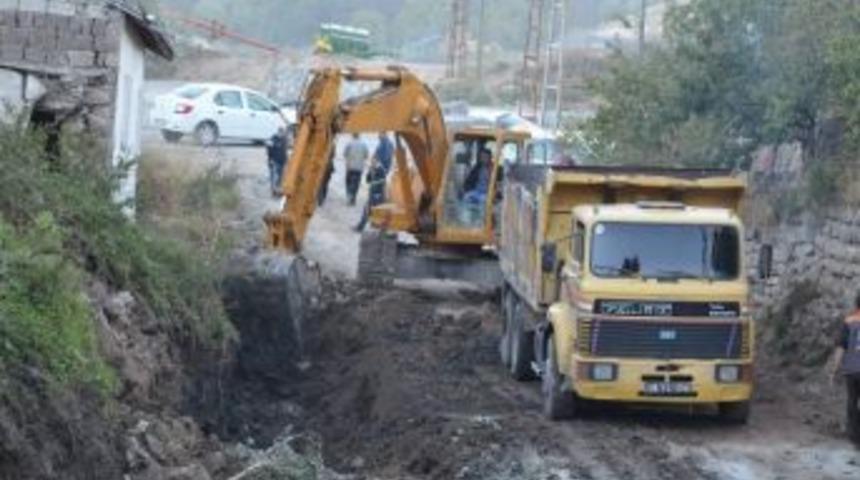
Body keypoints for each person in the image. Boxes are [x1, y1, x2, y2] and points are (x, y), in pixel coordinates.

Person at [830, 292, 860, 444]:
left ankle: (854, 437)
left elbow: (841, 347)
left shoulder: (849, 321)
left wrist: (834, 370)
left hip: (852, 369)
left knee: (852, 401)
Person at [353, 156, 387, 232]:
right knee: (368, 211)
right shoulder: (373, 169)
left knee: (369, 211)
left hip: (378, 194)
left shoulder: (381, 170)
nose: (372, 163)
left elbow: (382, 181)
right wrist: (370, 172)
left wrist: (374, 182)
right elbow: (368, 180)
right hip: (373, 193)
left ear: (377, 161)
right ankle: (362, 227)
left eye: (373, 161)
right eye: (372, 162)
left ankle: (361, 228)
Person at [343, 133, 369, 206]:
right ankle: (353, 199)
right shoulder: (364, 145)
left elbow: (344, 154)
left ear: (352, 135)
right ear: (359, 135)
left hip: (350, 167)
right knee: (356, 183)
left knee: (348, 182)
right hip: (359, 168)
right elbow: (366, 155)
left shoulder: (349, 144)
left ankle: (349, 195)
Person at [266, 127, 288, 197]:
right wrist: (270, 160)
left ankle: (278, 192)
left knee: (280, 178)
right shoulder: (272, 139)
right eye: (281, 132)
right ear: (278, 132)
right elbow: (269, 151)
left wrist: (286, 160)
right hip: (274, 161)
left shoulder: (284, 139)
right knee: (274, 178)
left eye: (283, 133)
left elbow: (284, 151)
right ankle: (273, 192)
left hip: (282, 161)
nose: (282, 134)